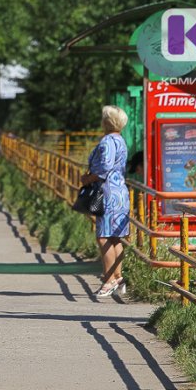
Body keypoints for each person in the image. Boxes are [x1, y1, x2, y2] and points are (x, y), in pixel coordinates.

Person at [80, 105, 130, 297]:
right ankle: (118, 276)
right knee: (115, 236)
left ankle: (108, 280)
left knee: (103, 237)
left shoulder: (107, 141)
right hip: (119, 192)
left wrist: (88, 179)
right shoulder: (120, 140)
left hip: (107, 192)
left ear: (107, 122)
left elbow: (104, 167)